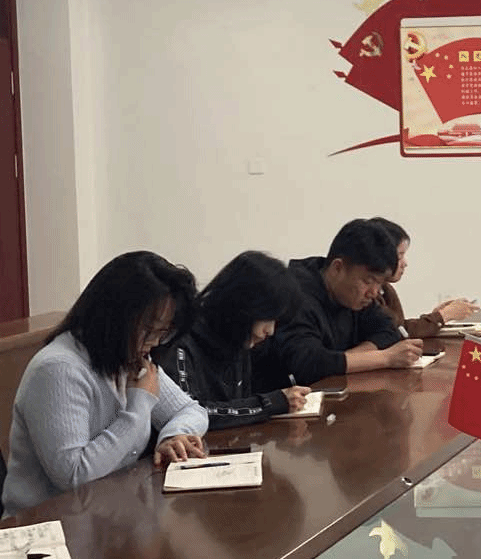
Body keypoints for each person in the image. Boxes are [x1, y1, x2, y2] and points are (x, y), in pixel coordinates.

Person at [2, 251, 210, 516]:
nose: (156, 342)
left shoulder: (128, 358)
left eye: (164, 332)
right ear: (115, 317)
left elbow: (191, 410)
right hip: (47, 527)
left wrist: (174, 436)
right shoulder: (58, 370)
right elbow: (74, 477)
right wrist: (139, 407)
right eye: (150, 330)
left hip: (110, 514)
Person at [253, 219, 424, 389]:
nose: (373, 292)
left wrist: (341, 361)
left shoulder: (353, 296)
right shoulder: (295, 295)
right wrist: (385, 358)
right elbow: (308, 364)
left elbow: (389, 331)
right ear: (337, 268)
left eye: (379, 284)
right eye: (368, 281)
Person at [154, 251, 311, 428]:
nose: (270, 330)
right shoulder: (181, 340)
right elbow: (190, 413)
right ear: (243, 306)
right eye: (268, 317)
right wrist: (270, 403)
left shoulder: (238, 341)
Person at [368, 217, 479, 343]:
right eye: (400, 256)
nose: (405, 263)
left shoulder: (386, 289)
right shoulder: (368, 294)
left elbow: (401, 327)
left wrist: (437, 315)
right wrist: (443, 316)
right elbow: (396, 334)